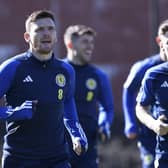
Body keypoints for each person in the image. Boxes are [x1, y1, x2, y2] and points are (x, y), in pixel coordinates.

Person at [0, 10, 88, 168]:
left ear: (56, 35)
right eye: (39, 30)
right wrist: (14, 112)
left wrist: (76, 134)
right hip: (19, 159)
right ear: (27, 37)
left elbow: (67, 104)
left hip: (57, 159)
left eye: (50, 29)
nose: (46, 33)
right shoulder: (11, 68)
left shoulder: (66, 71)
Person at [63, 24, 114, 168]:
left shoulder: (98, 76)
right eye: (85, 42)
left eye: (92, 43)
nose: (90, 47)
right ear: (70, 44)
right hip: (57, 147)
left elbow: (108, 108)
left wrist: (104, 125)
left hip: (87, 148)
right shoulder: (58, 72)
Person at [122, 19, 168, 168]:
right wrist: (130, 124)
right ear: (160, 42)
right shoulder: (147, 69)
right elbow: (128, 91)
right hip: (151, 133)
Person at [136, 23, 168, 168]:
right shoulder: (153, 75)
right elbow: (140, 108)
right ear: (162, 46)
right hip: (165, 153)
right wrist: (154, 124)